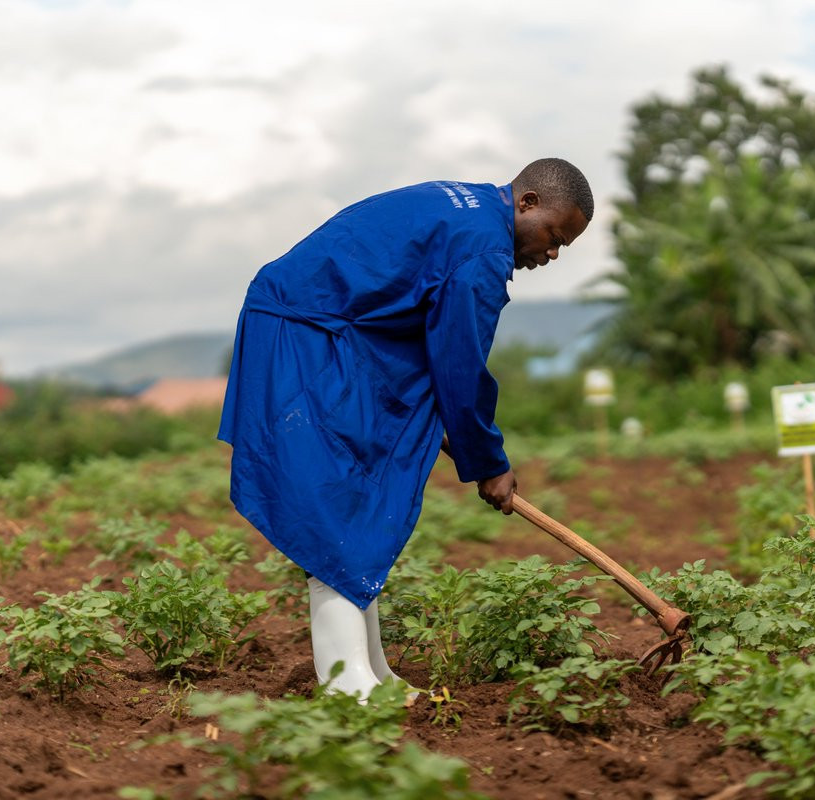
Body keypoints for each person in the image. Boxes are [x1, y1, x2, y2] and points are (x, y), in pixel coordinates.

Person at [218, 158, 593, 698]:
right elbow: (460, 364)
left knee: (360, 500)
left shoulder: (470, 210)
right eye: (554, 237)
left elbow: (425, 331)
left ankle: (374, 673)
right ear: (527, 202)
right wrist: (488, 463)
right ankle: (347, 685)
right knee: (339, 503)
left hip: (329, 332)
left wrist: (441, 420)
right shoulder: (483, 249)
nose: (551, 254)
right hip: (306, 334)